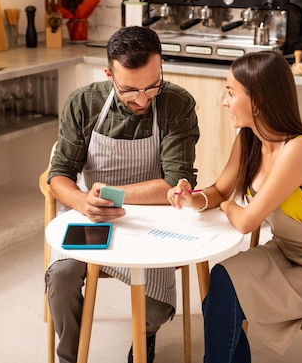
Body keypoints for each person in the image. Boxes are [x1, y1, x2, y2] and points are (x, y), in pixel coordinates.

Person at [168, 51, 302, 362]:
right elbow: (219, 190)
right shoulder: (249, 140)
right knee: (221, 283)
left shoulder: (300, 149)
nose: (224, 101)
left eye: (231, 92)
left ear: (257, 98)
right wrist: (193, 197)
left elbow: (245, 221)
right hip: (286, 253)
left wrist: (228, 206)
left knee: (224, 298)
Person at [45, 25, 200, 363]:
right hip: (94, 217)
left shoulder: (176, 104)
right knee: (61, 277)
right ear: (108, 74)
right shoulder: (84, 104)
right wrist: (81, 201)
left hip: (153, 221)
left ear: (160, 68)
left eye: (152, 85)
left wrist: (112, 193)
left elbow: (174, 183)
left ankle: (144, 338)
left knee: (157, 309)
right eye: (130, 90)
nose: (143, 99)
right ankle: (72, 355)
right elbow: (58, 177)